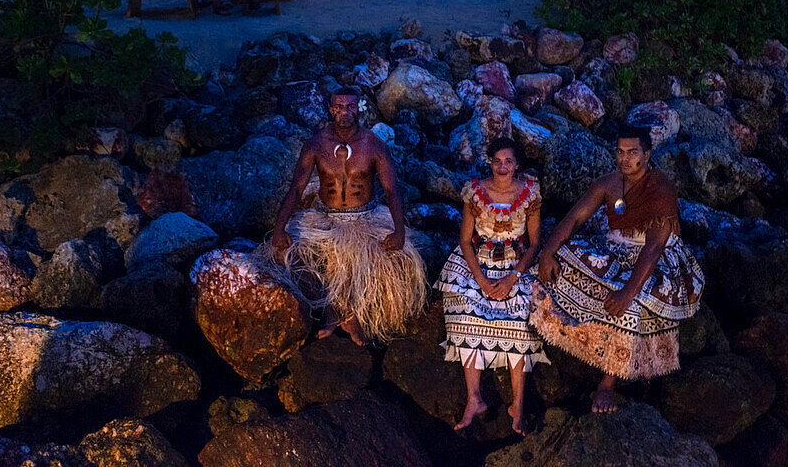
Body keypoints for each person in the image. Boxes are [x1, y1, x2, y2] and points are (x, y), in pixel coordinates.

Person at [532, 125, 705, 413]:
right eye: (620, 152)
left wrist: (627, 292)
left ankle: (608, 383)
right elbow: (574, 218)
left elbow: (653, 248)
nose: (624, 159)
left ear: (647, 155)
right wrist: (547, 253)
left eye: (632, 153)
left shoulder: (661, 189)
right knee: (559, 257)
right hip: (615, 245)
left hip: (658, 258)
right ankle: (558, 332)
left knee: (630, 304)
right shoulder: (609, 183)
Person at [271, 87, 427, 345]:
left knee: (383, 258)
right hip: (326, 217)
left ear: (359, 109)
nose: (345, 112)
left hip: (364, 218)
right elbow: (297, 188)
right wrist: (279, 228)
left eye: (350, 107)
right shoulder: (316, 144)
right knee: (293, 254)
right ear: (331, 109)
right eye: (339, 107)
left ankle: (351, 316)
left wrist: (399, 231)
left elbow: (391, 190)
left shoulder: (374, 145)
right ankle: (334, 314)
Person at [434, 138, 548, 435]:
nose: (502, 167)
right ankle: (474, 399)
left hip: (516, 264)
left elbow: (535, 243)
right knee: (466, 315)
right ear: (490, 162)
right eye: (497, 161)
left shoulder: (530, 193)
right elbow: (464, 240)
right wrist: (482, 281)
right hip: (478, 260)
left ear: (517, 165)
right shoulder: (475, 191)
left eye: (508, 161)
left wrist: (513, 277)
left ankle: (518, 405)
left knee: (523, 323)